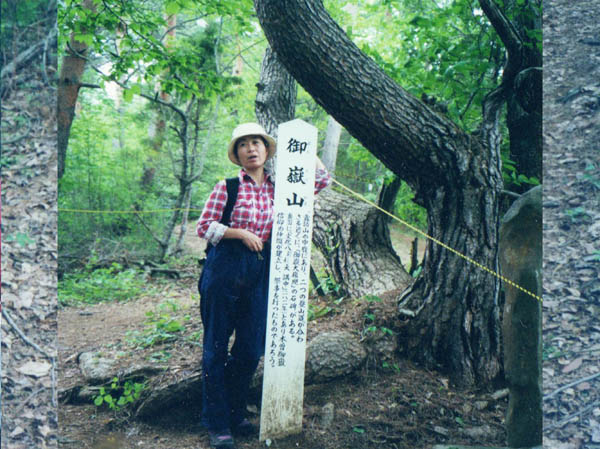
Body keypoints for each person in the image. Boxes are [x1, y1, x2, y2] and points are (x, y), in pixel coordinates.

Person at [196, 122, 331, 448]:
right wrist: (238, 233)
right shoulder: (226, 187)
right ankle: (217, 425)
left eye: (257, 142)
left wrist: (303, 149)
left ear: (267, 150)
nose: (251, 149)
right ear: (237, 154)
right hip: (224, 270)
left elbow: (322, 180)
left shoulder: (281, 188)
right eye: (243, 145)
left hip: (259, 273)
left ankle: (235, 413)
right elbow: (204, 226)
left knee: (249, 348)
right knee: (215, 348)